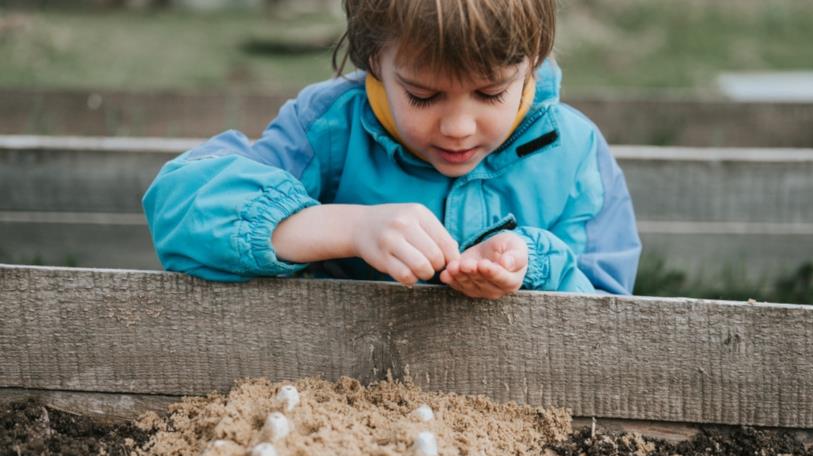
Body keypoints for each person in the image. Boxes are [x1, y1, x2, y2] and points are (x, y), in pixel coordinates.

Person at [143, 0, 641, 299]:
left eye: (490, 93)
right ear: (373, 58)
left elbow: (611, 317)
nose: (459, 127)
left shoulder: (575, 155)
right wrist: (348, 227)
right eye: (423, 96)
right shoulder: (331, 127)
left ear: (532, 62)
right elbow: (182, 203)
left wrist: (532, 264)